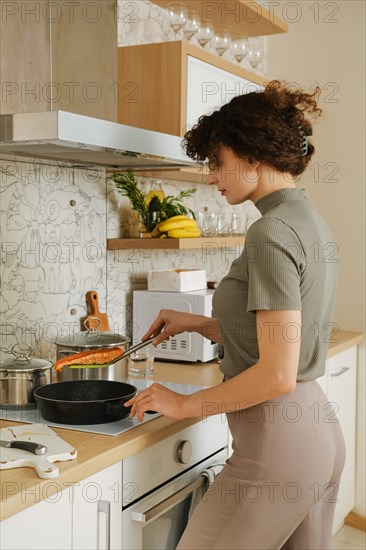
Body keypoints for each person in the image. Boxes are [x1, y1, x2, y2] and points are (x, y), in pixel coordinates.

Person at [124, 80, 345, 550]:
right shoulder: (308, 220)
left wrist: (183, 404)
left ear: (253, 156)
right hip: (317, 433)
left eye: (217, 163)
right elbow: (286, 336)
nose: (210, 177)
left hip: (276, 446)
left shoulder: (270, 232)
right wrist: (202, 324)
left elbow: (277, 374)